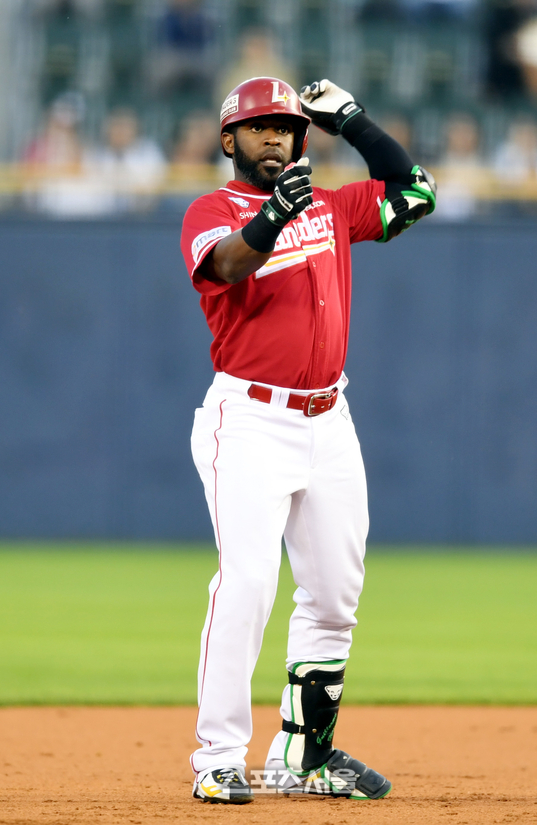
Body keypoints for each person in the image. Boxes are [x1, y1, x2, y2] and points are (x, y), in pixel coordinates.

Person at [180, 76, 436, 804]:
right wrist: (273, 218)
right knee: (248, 583)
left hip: (329, 417)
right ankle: (218, 757)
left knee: (333, 594)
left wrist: (352, 121)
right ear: (229, 139)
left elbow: (417, 192)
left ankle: (303, 755)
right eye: (259, 127)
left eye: (288, 127)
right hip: (250, 418)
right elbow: (226, 265)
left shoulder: (330, 204)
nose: (275, 137)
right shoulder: (211, 210)